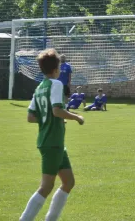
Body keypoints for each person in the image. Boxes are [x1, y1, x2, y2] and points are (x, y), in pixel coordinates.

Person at [19, 48, 85, 221]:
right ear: (57, 69)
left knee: (68, 182)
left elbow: (31, 117)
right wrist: (76, 117)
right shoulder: (56, 84)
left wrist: (50, 119)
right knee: (46, 186)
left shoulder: (40, 88)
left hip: (51, 141)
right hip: (52, 141)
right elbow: (57, 110)